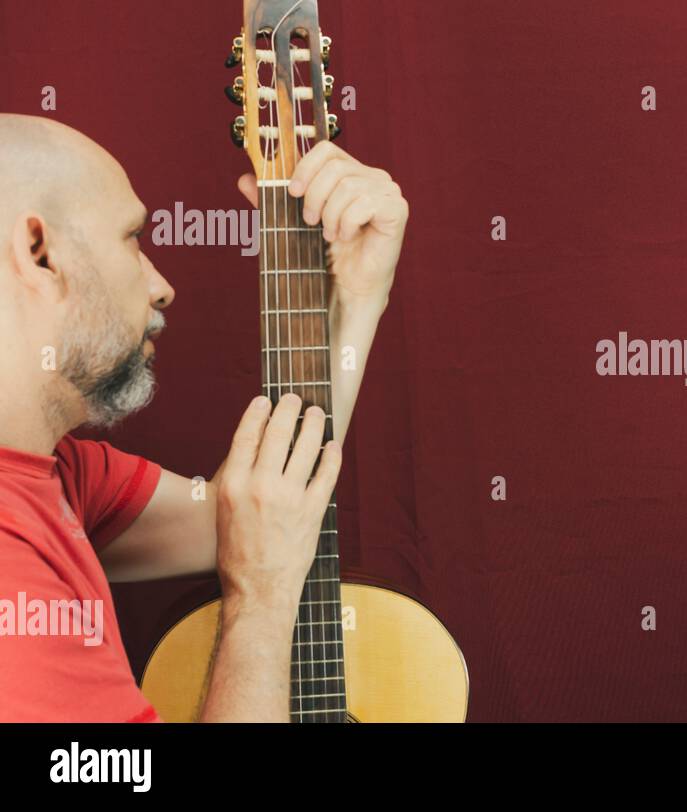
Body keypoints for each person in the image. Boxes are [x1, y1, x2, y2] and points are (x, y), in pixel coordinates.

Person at [0, 114, 409, 721]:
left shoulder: (54, 470)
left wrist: (356, 298)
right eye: (132, 239)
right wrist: (262, 599)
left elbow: (242, 517)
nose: (161, 287)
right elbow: (256, 556)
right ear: (40, 254)